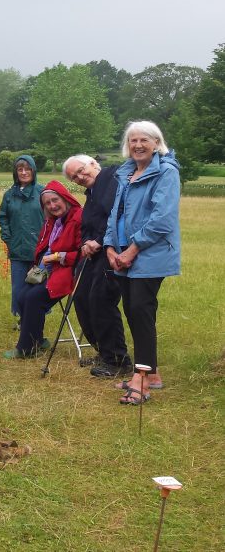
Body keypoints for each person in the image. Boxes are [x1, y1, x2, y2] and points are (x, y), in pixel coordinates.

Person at [104, 121, 180, 405]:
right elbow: (115, 214)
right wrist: (111, 247)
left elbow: (162, 219)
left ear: (156, 143)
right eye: (133, 140)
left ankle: (141, 380)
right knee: (132, 311)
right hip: (122, 254)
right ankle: (153, 373)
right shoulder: (126, 173)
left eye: (144, 140)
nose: (138, 145)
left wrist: (132, 250)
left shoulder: (166, 173)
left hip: (150, 254)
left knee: (140, 309)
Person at [63, 154, 131, 378]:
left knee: (101, 300)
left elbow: (116, 215)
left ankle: (118, 360)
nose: (80, 177)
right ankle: (103, 350)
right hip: (92, 254)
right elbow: (86, 226)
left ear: (94, 164)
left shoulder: (111, 179)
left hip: (112, 250)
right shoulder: (91, 194)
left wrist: (99, 241)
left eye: (82, 170)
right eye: (74, 177)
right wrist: (85, 243)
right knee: (81, 298)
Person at [3, 181, 83, 358]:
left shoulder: (78, 218)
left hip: (68, 272)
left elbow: (81, 253)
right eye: (47, 203)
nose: (52, 206)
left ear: (65, 198)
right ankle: (37, 340)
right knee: (22, 296)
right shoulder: (52, 221)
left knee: (33, 298)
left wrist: (57, 257)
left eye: (55, 200)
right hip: (46, 271)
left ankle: (26, 348)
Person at [0, 155, 44, 330]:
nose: (24, 173)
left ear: (33, 170)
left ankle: (35, 321)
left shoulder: (42, 192)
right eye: (20, 169)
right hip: (17, 250)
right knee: (19, 289)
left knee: (36, 287)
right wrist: (8, 238)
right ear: (16, 172)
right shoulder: (9, 195)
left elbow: (52, 218)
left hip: (39, 250)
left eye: (27, 169)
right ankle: (23, 319)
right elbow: (3, 218)